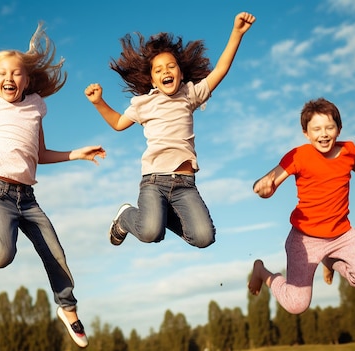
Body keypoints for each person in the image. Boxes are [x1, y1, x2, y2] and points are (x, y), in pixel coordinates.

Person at [0, 22, 105, 348]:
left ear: (27, 79)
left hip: (27, 198)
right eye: (2, 74)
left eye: (16, 73)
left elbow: (39, 153)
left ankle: (67, 309)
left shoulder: (37, 106)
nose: (9, 79)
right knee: (1, 256)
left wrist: (76, 154)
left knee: (55, 254)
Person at [84, 12, 255, 247]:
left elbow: (220, 70)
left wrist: (236, 34)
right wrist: (98, 102)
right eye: (158, 70)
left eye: (171, 66)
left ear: (181, 73)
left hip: (185, 184)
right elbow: (118, 123)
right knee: (150, 232)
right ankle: (125, 218)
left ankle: (158, 215)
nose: (166, 71)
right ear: (153, 81)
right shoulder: (145, 103)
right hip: (154, 181)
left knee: (204, 237)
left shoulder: (190, 95)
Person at [248, 97, 355, 314]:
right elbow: (269, 184)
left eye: (329, 127)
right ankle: (262, 272)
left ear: (339, 129)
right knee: (296, 305)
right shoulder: (298, 156)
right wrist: (263, 189)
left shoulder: (349, 151)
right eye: (316, 129)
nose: (324, 133)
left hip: (341, 235)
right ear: (306, 133)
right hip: (305, 239)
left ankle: (331, 260)